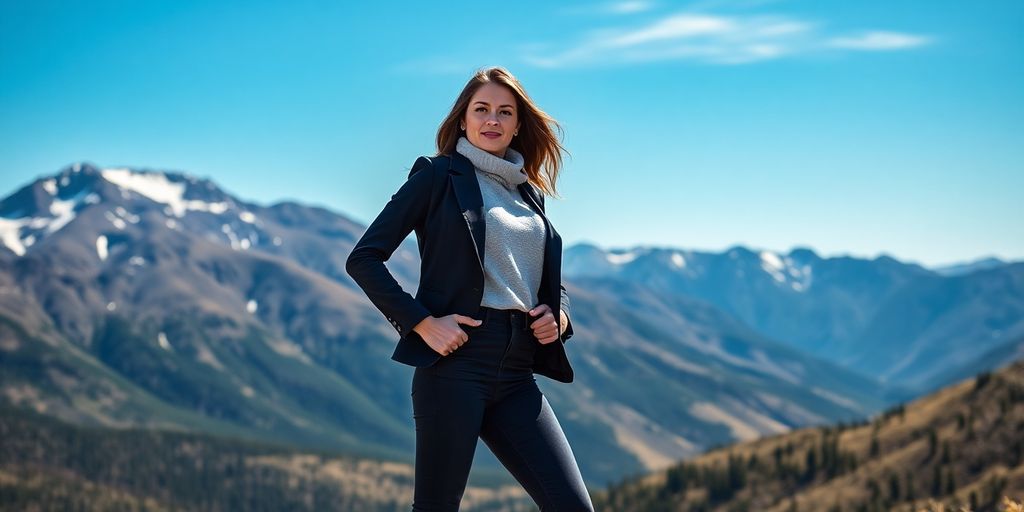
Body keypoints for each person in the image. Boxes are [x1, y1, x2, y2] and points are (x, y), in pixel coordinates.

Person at [345, 66, 594, 511]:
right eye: (481, 110)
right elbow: (363, 258)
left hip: (517, 372)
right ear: (463, 119)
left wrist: (559, 315)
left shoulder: (527, 192)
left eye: (504, 111)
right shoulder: (437, 177)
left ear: (518, 124)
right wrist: (420, 322)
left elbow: (540, 280)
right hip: (456, 366)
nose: (492, 120)